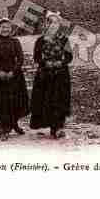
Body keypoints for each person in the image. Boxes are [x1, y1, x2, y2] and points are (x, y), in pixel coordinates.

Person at [30, 11, 73, 139]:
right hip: (45, 74)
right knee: (47, 99)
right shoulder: (40, 40)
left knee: (60, 99)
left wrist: (61, 62)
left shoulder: (64, 39)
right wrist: (45, 63)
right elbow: (37, 57)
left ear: (59, 25)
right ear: (46, 24)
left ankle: (58, 127)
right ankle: (49, 125)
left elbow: (69, 57)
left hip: (60, 74)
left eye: (56, 22)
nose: (53, 25)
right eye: (50, 22)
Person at [0, 18, 30, 141]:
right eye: (3, 27)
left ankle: (14, 124)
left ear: (11, 29)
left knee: (15, 101)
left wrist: (13, 71)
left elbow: (20, 59)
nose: (5, 29)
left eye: (8, 27)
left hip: (15, 75)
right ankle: (3, 128)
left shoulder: (15, 42)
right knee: (1, 102)